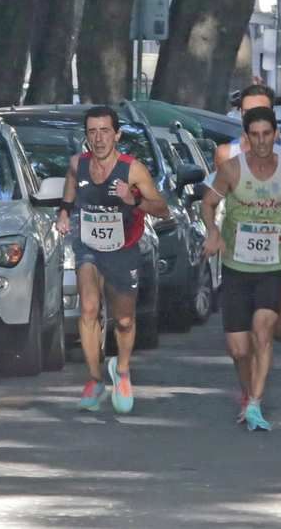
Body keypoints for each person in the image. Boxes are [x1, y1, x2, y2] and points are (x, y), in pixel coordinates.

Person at [201, 107, 281, 431]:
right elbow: (207, 203)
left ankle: (255, 404)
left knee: (262, 329)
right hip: (236, 267)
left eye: (266, 134)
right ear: (246, 137)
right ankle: (246, 393)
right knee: (238, 349)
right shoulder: (230, 170)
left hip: (273, 266)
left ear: (275, 134)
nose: (261, 141)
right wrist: (213, 231)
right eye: (254, 135)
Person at [59, 105, 171, 414]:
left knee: (123, 320)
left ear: (117, 134)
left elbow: (162, 209)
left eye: (105, 131)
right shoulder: (77, 164)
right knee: (90, 308)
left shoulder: (132, 169)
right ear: (87, 136)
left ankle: (122, 371)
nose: (98, 138)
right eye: (92, 132)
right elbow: (71, 181)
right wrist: (65, 211)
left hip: (124, 250)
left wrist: (132, 199)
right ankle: (95, 380)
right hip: (89, 247)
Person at [213, 83, 281, 343]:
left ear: (273, 112)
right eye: (247, 111)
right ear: (240, 114)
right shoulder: (226, 153)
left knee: (278, 330)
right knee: (246, 334)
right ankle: (252, 378)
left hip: (276, 247)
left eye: (261, 110)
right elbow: (217, 199)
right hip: (237, 251)